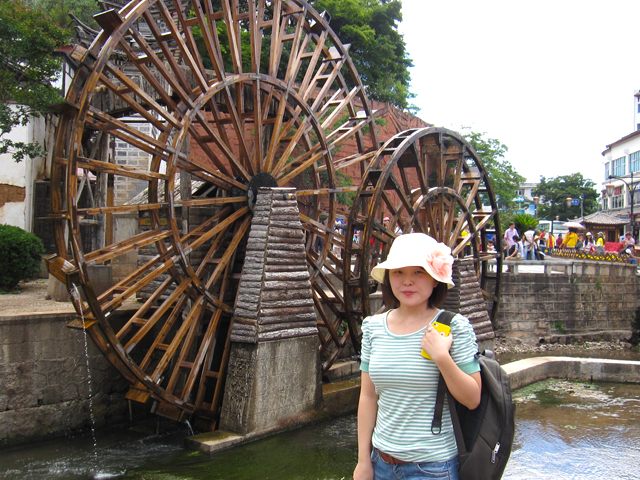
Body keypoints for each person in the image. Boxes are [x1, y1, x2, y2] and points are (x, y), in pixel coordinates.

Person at [354, 233, 481, 480]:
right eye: (398, 272)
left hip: (433, 468)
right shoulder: (373, 327)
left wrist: (442, 357)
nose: (407, 282)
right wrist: (363, 460)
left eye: (419, 272)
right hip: (380, 464)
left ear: (435, 280)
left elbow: (472, 398)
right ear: (388, 279)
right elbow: (368, 396)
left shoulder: (454, 327)